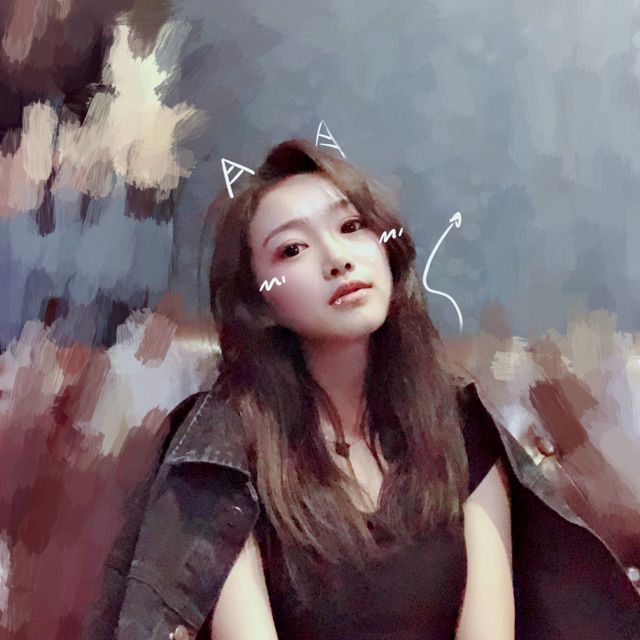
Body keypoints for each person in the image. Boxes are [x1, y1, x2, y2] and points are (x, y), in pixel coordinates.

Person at [84, 139, 514, 640]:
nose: (337, 259)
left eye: (351, 227)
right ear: (260, 303)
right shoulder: (224, 445)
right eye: (292, 249)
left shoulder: (460, 423)